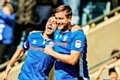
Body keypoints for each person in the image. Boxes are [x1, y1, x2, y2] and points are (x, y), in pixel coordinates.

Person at [2, 16, 57, 80]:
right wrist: (9, 65)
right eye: (49, 21)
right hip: (23, 77)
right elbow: (21, 50)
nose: (50, 23)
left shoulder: (57, 44)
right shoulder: (33, 36)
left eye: (54, 22)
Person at [44, 5, 89, 80]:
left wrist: (51, 52)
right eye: (57, 18)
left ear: (69, 18)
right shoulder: (57, 33)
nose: (58, 21)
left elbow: (72, 60)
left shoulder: (77, 35)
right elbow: (45, 35)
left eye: (61, 19)